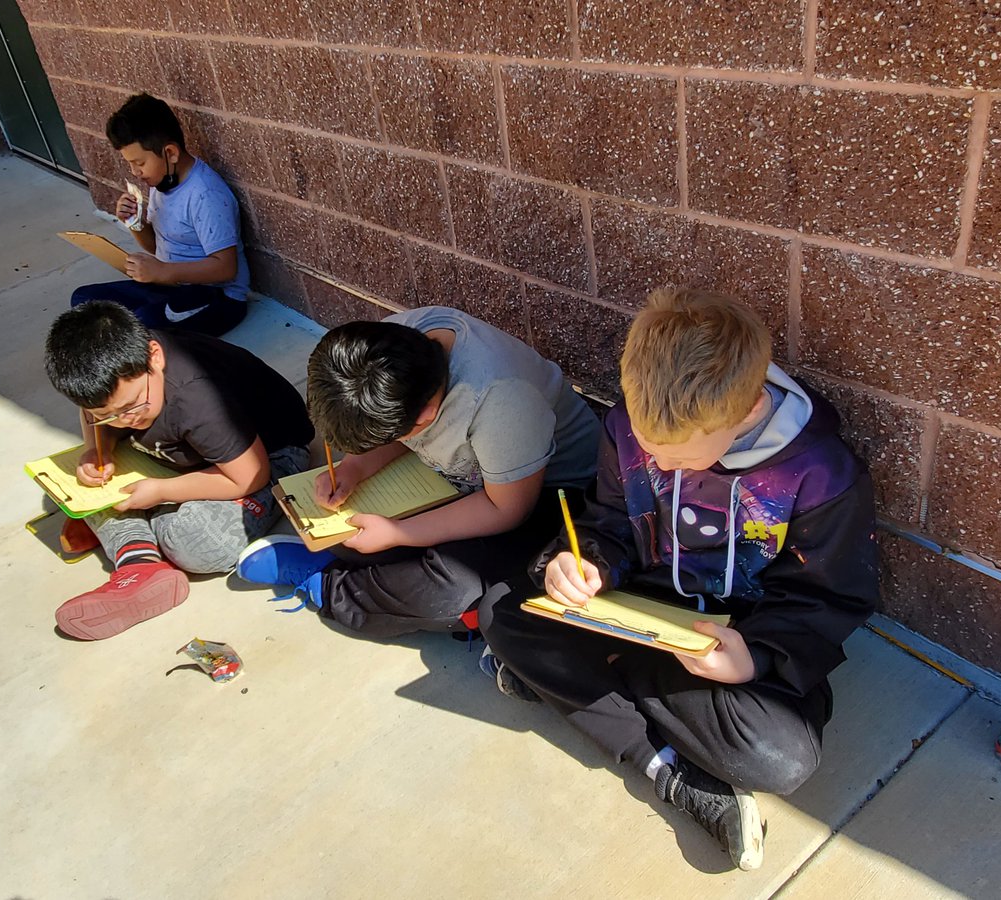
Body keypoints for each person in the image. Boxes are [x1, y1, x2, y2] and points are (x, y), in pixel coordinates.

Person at [477, 287, 879, 871]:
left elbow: (827, 597)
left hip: (736, 637)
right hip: (638, 605)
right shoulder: (630, 425)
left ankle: (596, 683)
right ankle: (665, 767)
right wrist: (584, 560)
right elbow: (609, 519)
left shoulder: (822, 474)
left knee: (782, 760)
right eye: (649, 446)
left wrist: (756, 658)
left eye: (683, 459)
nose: (661, 466)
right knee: (503, 614)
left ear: (742, 415)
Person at [234, 306, 601, 637]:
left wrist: (399, 532)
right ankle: (348, 558)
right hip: (465, 478)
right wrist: (354, 467)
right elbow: (395, 431)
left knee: (453, 588)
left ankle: (328, 586)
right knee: (360, 532)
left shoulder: (501, 401)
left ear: (425, 418)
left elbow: (506, 509)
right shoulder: (388, 348)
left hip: (552, 494)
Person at [43, 300, 313, 640]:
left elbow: (250, 476)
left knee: (194, 541)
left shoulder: (196, 399)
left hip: (269, 457)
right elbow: (97, 416)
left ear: (154, 356)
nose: (125, 420)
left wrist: (162, 492)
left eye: (132, 406)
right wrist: (97, 449)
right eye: (106, 415)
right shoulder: (129, 377)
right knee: (76, 479)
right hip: (186, 460)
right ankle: (139, 563)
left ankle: (127, 536)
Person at [70, 93, 250, 336]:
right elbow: (156, 247)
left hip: (217, 297)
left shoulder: (206, 194)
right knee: (84, 302)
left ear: (171, 153)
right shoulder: (162, 182)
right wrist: (135, 224)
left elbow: (226, 268)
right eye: (130, 164)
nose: (135, 172)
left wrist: (163, 272)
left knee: (143, 324)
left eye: (140, 163)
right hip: (168, 285)